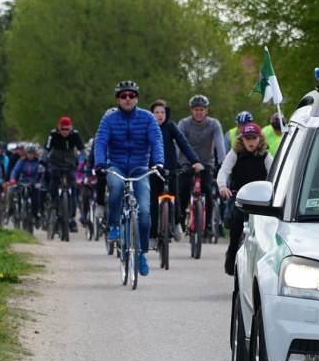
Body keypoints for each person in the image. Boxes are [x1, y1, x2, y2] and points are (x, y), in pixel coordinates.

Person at [93, 80, 165, 277]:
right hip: (115, 165)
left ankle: (141, 254)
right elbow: (100, 141)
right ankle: (114, 225)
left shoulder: (148, 118)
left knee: (144, 212)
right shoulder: (109, 119)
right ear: (118, 99)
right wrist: (100, 164)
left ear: (137, 98)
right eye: (123, 96)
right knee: (115, 187)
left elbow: (156, 141)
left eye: (131, 95)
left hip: (140, 167)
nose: (127, 99)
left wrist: (158, 162)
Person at [217, 122, 273, 275]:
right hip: (239, 197)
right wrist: (222, 186)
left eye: (253, 138)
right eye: (247, 138)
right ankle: (232, 258)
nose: (251, 142)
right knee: (235, 227)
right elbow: (224, 170)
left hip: (260, 199)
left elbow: (275, 175)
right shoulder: (235, 153)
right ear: (241, 139)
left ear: (260, 139)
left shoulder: (266, 156)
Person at [149, 99, 203, 242]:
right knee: (153, 201)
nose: (160, 115)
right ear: (151, 114)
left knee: (175, 195)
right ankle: (153, 234)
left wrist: (195, 161)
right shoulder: (147, 127)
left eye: (163, 112)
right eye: (156, 112)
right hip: (153, 169)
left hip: (170, 167)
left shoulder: (171, 127)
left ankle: (177, 222)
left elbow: (183, 143)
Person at [176, 94, 227, 235]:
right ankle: (179, 221)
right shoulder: (184, 123)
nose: (199, 112)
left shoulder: (214, 124)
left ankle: (209, 224)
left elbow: (219, 144)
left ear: (206, 111)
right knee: (183, 189)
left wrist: (222, 162)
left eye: (202, 109)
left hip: (206, 162)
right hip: (187, 161)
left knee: (207, 190)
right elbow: (178, 143)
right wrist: (175, 161)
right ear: (191, 111)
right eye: (196, 109)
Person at [45, 116, 86, 232]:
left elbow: (82, 150)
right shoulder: (52, 134)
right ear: (59, 128)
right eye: (62, 129)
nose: (65, 132)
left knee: (73, 187)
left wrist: (83, 162)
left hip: (70, 162)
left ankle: (72, 217)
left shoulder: (75, 135)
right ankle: (53, 201)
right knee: (54, 176)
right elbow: (46, 149)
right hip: (55, 162)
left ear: (71, 128)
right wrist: (43, 162)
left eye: (67, 129)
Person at [9, 143, 45, 225]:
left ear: (35, 153)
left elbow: (41, 173)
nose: (30, 155)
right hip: (22, 182)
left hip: (34, 183)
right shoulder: (21, 161)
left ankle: (36, 215)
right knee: (15, 194)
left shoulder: (38, 162)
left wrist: (39, 182)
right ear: (26, 153)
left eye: (32, 153)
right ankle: (16, 213)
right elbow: (15, 170)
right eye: (29, 153)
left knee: (36, 199)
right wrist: (13, 179)